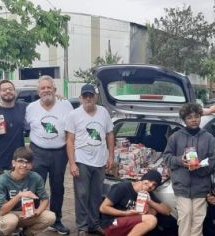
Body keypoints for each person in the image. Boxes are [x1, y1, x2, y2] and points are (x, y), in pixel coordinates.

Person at [25, 75, 73, 234]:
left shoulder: (65, 105)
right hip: (37, 151)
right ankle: (32, 220)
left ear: (55, 89)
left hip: (60, 153)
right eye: (42, 88)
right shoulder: (31, 107)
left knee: (58, 187)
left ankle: (56, 220)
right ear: (38, 92)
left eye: (49, 87)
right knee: (35, 185)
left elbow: (73, 129)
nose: (46, 90)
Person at [66, 84, 114, 236]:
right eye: (85, 96)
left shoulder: (104, 112)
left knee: (96, 194)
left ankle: (94, 224)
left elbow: (110, 135)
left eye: (91, 95)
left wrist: (110, 156)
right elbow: (70, 141)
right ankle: (82, 227)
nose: (88, 98)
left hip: (100, 160)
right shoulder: (73, 115)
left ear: (96, 97)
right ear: (81, 98)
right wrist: (72, 163)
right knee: (82, 194)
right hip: (82, 160)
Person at [163, 103, 215, 236]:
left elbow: (213, 160)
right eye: (190, 117)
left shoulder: (209, 138)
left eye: (197, 116)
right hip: (182, 186)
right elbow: (167, 157)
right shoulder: (175, 137)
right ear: (184, 119)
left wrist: (200, 168)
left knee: (198, 219)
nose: (194, 119)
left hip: (201, 186)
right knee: (185, 216)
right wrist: (181, 161)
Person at [0, 146, 56, 236]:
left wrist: (37, 212)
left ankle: (26, 234)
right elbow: (1, 211)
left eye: (27, 162)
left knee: (50, 217)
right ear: (13, 163)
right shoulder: (3, 179)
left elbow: (45, 199)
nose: (24, 165)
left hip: (28, 213)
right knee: (10, 222)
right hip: (9, 214)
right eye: (20, 161)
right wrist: (19, 196)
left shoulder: (35, 177)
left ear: (31, 165)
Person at [99, 170, 173, 236]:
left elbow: (167, 211)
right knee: (151, 220)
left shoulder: (148, 194)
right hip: (111, 224)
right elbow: (103, 208)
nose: (150, 185)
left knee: (157, 215)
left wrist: (150, 202)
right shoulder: (123, 187)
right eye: (149, 181)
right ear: (143, 179)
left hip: (128, 225)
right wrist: (126, 213)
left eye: (154, 185)